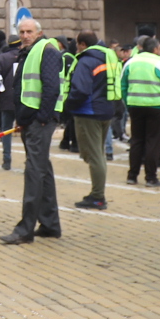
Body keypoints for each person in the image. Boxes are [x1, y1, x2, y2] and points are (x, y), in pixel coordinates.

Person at [0, 17, 68, 245]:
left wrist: (40, 118)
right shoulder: (30, 50)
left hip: (40, 121)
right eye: (22, 31)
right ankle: (50, 224)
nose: (25, 35)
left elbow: (51, 87)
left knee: (34, 173)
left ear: (39, 32)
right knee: (42, 170)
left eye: (29, 31)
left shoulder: (45, 50)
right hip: (34, 120)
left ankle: (25, 229)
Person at [66, 33, 117, 211]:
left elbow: (80, 89)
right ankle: (97, 193)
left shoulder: (86, 61)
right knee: (99, 154)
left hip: (88, 112)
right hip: (105, 109)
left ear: (82, 44)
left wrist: (68, 104)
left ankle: (98, 196)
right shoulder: (107, 56)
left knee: (94, 156)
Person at [120, 36, 160, 186]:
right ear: (155, 49)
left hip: (135, 105)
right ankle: (151, 177)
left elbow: (123, 86)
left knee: (136, 141)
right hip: (157, 107)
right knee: (153, 142)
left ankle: (132, 175)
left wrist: (129, 104)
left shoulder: (131, 62)